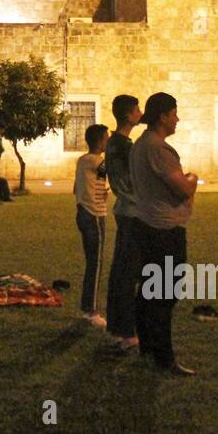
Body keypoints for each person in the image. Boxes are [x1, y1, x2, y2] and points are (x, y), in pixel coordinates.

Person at [128, 92, 199, 376]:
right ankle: (164, 355)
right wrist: (193, 178)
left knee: (149, 290)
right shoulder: (159, 148)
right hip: (164, 229)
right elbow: (182, 188)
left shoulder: (140, 145)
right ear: (162, 117)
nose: (177, 119)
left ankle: (148, 346)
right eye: (174, 113)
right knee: (165, 294)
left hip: (146, 224)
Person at [104, 94, 143, 352]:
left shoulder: (116, 143)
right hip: (132, 213)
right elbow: (132, 182)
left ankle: (118, 328)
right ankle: (126, 332)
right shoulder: (123, 145)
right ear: (129, 115)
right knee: (128, 273)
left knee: (122, 271)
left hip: (126, 211)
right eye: (137, 110)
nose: (141, 113)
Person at [73, 123, 110, 327]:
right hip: (93, 215)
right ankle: (92, 311)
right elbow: (113, 167)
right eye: (106, 138)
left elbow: (76, 187)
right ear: (99, 141)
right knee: (95, 264)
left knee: (92, 263)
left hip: (85, 214)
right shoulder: (95, 161)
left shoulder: (83, 161)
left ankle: (88, 307)